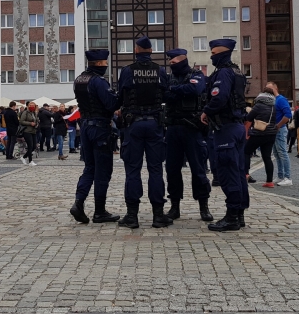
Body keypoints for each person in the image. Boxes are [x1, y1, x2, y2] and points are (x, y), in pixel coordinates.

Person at [117, 36, 171, 229]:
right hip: (155, 124)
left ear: (136, 49)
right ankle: (158, 215)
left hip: (134, 124)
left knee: (133, 170)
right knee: (156, 169)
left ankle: (132, 215)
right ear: (151, 51)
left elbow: (120, 96)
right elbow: (167, 94)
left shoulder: (127, 71)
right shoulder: (160, 70)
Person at [201, 38, 248, 231]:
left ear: (222, 52)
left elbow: (219, 97)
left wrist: (206, 111)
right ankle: (239, 214)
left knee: (228, 173)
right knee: (238, 172)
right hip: (236, 127)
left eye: (213, 53)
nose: (212, 57)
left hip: (226, 128)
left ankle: (231, 217)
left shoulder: (223, 73)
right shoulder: (237, 71)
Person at [70, 49, 121, 225]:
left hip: (85, 126)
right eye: (105, 63)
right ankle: (99, 211)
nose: (106, 66)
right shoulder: (99, 82)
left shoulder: (79, 80)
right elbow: (111, 104)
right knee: (103, 171)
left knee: (89, 168)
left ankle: (79, 202)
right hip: (100, 128)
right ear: (99, 63)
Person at [163, 48, 213, 222]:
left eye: (174, 62)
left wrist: (173, 90)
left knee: (198, 169)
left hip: (193, 128)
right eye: (170, 62)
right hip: (173, 128)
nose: (171, 64)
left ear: (183, 60)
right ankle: (174, 206)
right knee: (172, 170)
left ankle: (203, 206)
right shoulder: (169, 78)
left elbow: (195, 89)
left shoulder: (197, 74)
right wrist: (177, 89)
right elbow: (163, 93)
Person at [245, 91, 279, 188]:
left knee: (246, 152)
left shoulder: (258, 106)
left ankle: (245, 174)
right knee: (267, 157)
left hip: (259, 134)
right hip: (271, 134)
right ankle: (269, 182)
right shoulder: (273, 107)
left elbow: (249, 118)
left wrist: (249, 111)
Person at [265, 82, 292, 186]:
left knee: (282, 153)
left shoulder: (281, 100)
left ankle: (288, 177)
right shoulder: (273, 100)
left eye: (269, 88)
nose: (267, 90)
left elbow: (287, 115)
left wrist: (278, 125)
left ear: (275, 88)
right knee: (277, 153)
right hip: (275, 130)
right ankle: (281, 175)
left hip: (279, 130)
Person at [18, 102, 39, 166]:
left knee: (34, 146)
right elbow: (21, 121)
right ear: (28, 106)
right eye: (31, 105)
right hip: (27, 131)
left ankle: (24, 157)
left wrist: (36, 124)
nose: (32, 106)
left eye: (33, 105)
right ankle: (30, 161)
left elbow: (36, 120)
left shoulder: (34, 113)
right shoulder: (25, 112)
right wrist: (30, 123)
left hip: (33, 131)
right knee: (30, 146)